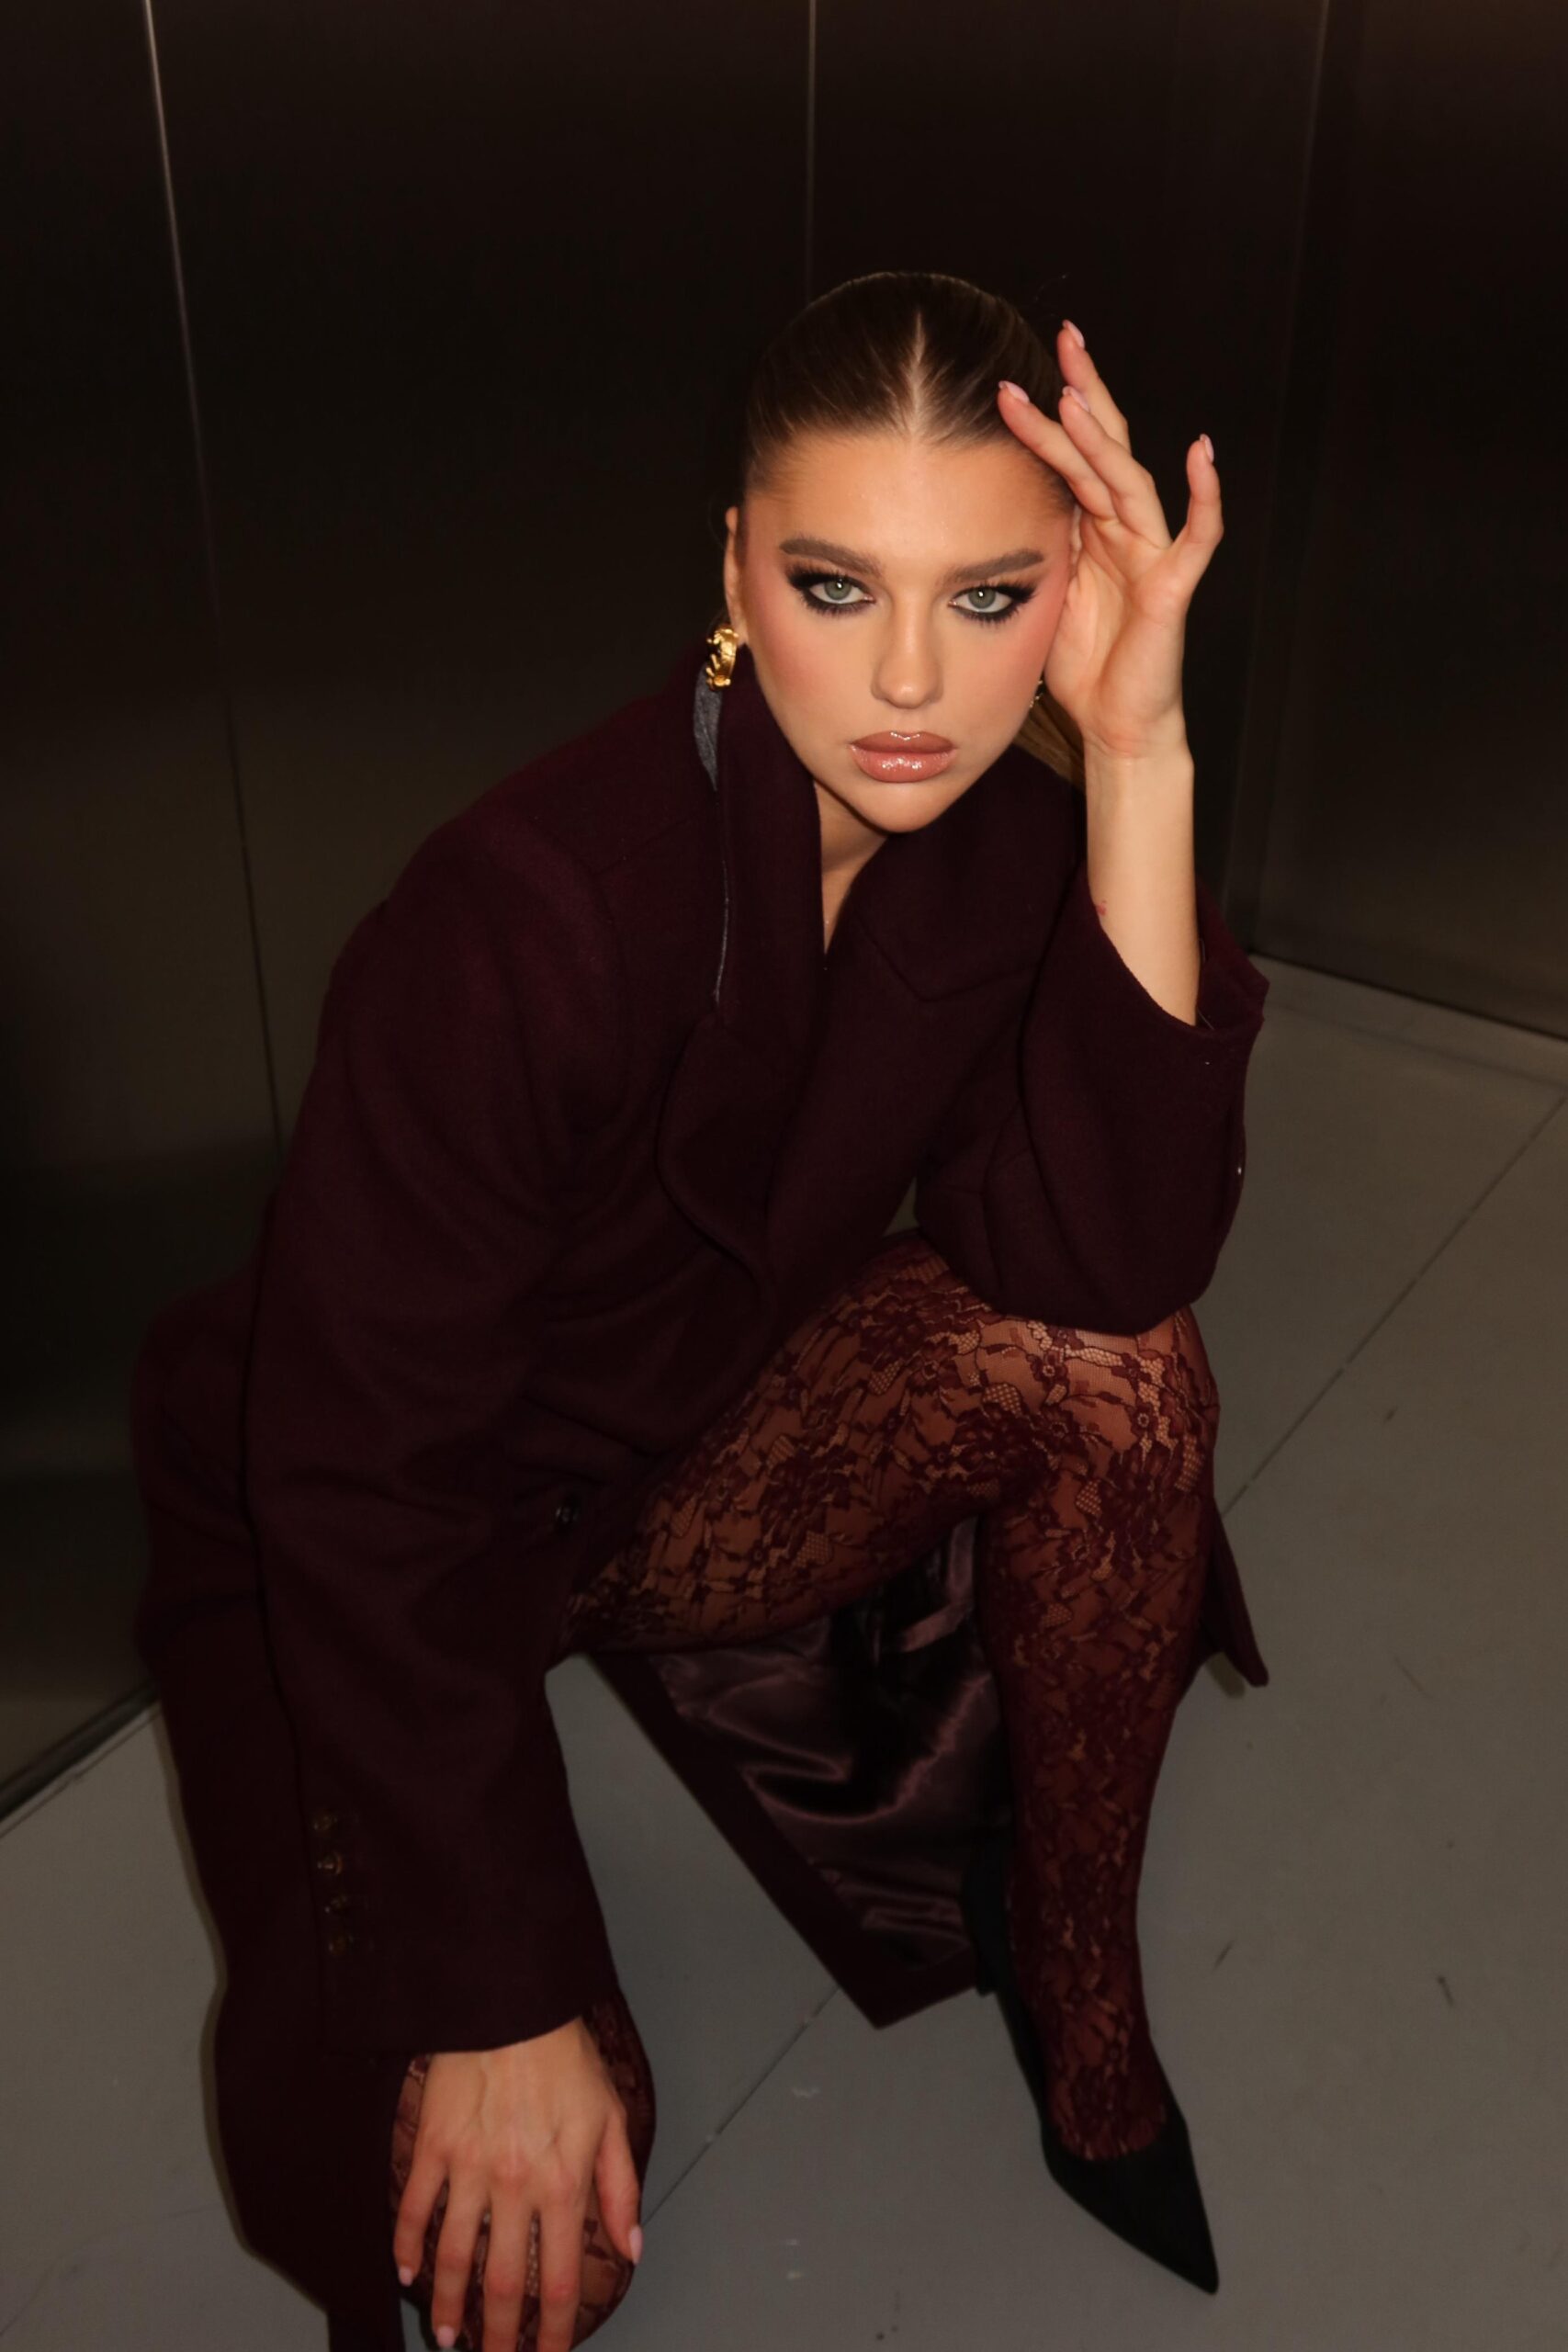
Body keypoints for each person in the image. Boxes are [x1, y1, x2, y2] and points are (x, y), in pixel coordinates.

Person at [129, 268, 1270, 2352]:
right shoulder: (524, 916)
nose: (912, 678)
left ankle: (1074, 1980)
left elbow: (1110, 1259)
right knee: (517, 2251)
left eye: (988, 596)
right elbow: (361, 1482)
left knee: (1124, 1376)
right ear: (735, 569)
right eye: (837, 587)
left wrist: (1136, 746)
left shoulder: (1005, 844)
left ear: (1070, 591)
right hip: (376, 1535)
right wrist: (498, 1996)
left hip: (669, 1465)